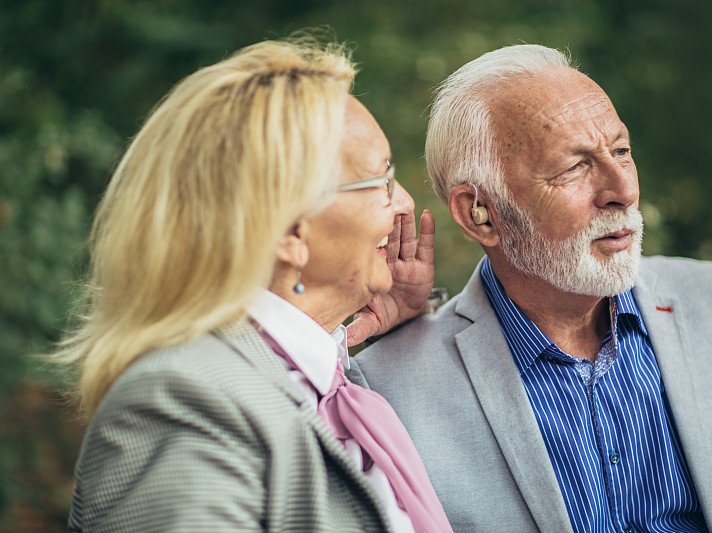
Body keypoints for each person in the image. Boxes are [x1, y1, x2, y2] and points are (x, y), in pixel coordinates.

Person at [348, 44, 712, 533]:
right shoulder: (388, 390)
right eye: (574, 167)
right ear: (480, 213)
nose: (622, 190)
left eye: (621, 151)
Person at [56, 38, 452, 532]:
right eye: (382, 179)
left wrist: (392, 328)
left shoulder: (313, 379)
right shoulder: (184, 400)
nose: (405, 203)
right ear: (290, 230)